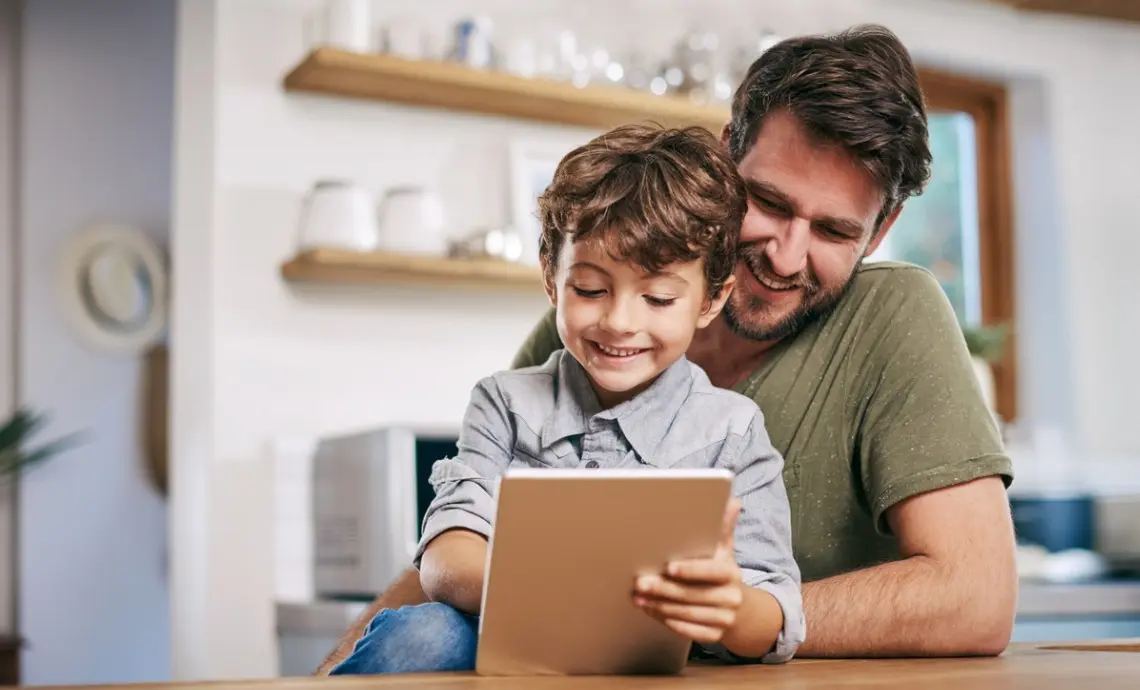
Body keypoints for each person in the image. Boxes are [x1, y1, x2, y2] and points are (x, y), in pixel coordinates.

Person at [317, 23, 1017, 674]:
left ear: (882, 228)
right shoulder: (587, 336)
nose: (785, 255)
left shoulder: (891, 316)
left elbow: (975, 598)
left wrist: (718, 616)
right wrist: (331, 673)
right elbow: (464, 532)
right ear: (724, 158)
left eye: (834, 231)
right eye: (770, 202)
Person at [328, 123, 806, 675]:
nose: (619, 321)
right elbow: (446, 558)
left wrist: (729, 607)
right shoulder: (505, 404)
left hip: (655, 667)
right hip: (509, 645)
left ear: (711, 299)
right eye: (590, 290)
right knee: (423, 635)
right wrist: (570, 592)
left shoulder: (732, 431)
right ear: (552, 280)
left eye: (657, 298)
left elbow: (775, 617)